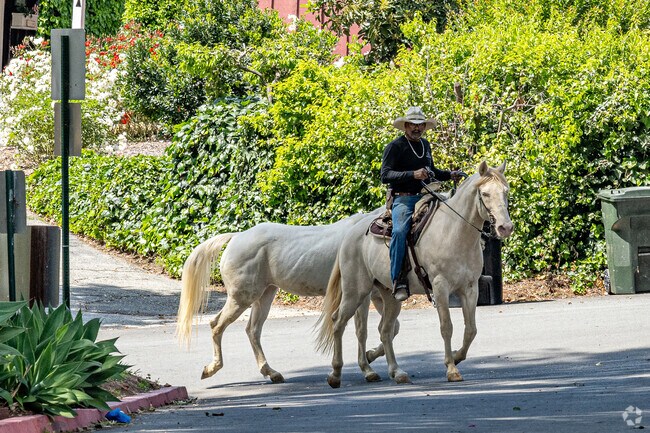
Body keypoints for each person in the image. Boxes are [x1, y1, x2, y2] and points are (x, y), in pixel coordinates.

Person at [380, 106, 462, 301]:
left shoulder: (425, 145)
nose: (417, 129)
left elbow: (431, 170)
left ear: (425, 126)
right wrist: (412, 174)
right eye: (413, 125)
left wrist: (450, 175)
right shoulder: (395, 146)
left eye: (420, 125)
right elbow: (385, 175)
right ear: (405, 126)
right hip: (404, 198)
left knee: (452, 218)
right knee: (400, 232)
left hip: (427, 195)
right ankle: (398, 279)